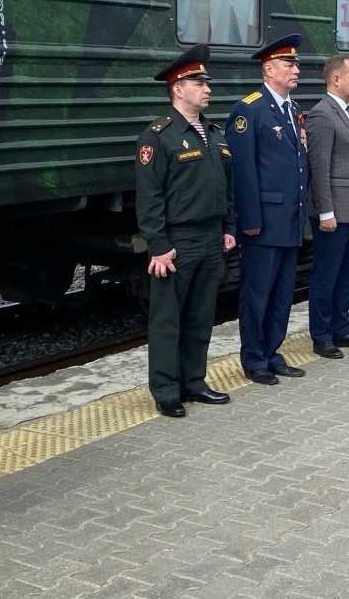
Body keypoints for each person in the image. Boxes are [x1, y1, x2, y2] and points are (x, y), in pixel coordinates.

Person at [133, 44, 236, 418]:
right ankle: (165, 390)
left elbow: (227, 186)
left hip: (210, 239)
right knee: (166, 319)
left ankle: (193, 381)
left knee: (199, 315)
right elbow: (150, 198)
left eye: (207, 83)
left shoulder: (214, 133)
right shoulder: (157, 137)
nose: (207, 89)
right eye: (199, 82)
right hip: (177, 243)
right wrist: (158, 246)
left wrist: (228, 227)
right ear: (178, 88)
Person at [226, 35, 308, 385]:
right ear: (269, 68)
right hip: (264, 221)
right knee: (257, 294)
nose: (296, 69)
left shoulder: (293, 110)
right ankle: (254, 358)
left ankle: (273, 352)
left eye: (297, 64)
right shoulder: (249, 109)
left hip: (289, 219)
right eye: (289, 64)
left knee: (282, 294)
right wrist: (250, 220)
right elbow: (242, 171)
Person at [305, 56, 349, 357]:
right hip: (334, 213)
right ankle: (321, 334)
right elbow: (319, 168)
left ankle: (341, 325)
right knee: (327, 274)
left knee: (348, 272)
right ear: (336, 79)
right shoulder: (322, 114)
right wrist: (325, 212)